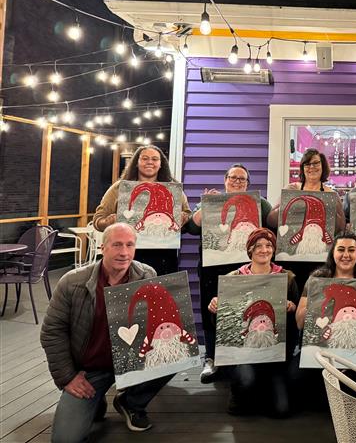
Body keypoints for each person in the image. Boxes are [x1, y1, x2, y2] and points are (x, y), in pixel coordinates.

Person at [40, 223, 173, 440]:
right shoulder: (72, 282)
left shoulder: (147, 274)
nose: (124, 252)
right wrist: (68, 377)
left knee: (175, 356)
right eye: (117, 245)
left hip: (133, 362)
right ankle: (96, 399)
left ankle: (131, 402)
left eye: (129, 245)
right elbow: (51, 332)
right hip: (90, 369)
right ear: (103, 247)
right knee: (65, 439)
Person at [183, 163, 273, 384]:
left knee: (243, 308)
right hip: (212, 268)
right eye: (233, 178)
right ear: (225, 180)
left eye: (242, 179)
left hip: (247, 267)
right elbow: (191, 228)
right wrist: (206, 205)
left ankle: (240, 356)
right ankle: (212, 358)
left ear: (248, 184)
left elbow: (273, 223)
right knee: (211, 310)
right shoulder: (211, 201)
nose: (237, 182)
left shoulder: (259, 203)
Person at [207, 228, 299, 416]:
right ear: (250, 250)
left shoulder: (287, 278)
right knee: (241, 404)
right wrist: (215, 308)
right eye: (258, 246)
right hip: (244, 353)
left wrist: (292, 308)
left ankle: (267, 387)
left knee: (281, 410)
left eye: (268, 246)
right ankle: (242, 387)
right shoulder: (234, 278)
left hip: (275, 353)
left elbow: (294, 325)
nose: (263, 250)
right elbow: (223, 324)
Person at [93, 145, 191, 275]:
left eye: (155, 159)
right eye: (145, 158)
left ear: (161, 164)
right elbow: (97, 220)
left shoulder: (173, 190)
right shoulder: (119, 188)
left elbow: (188, 218)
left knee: (161, 293)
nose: (150, 162)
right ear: (136, 162)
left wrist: (183, 219)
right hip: (126, 254)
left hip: (165, 255)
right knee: (128, 294)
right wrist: (109, 222)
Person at [296, 233, 356, 331]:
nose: (346, 255)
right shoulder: (317, 278)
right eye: (341, 250)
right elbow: (299, 324)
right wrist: (315, 304)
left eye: (351, 250)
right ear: (333, 253)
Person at [266, 148, 345, 234]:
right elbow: (271, 221)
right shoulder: (291, 189)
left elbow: (341, 229)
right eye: (307, 164)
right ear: (302, 168)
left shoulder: (332, 195)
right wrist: (285, 207)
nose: (311, 167)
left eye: (315, 163)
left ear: (323, 166)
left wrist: (331, 211)